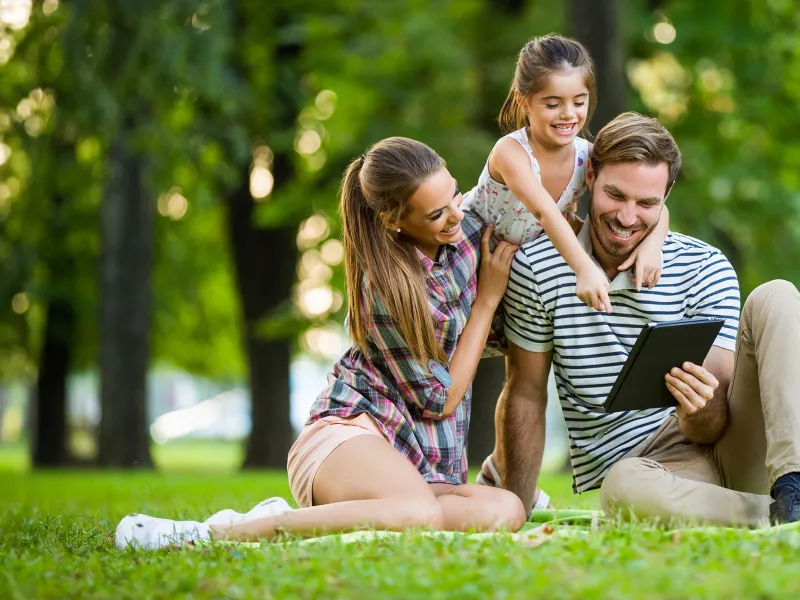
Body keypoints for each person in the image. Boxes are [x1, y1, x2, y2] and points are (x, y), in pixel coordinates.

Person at [115, 137, 527, 550]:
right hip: (347, 437)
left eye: (455, 193)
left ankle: (300, 518)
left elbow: (516, 168)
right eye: (437, 213)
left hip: (414, 465)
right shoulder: (385, 290)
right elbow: (439, 400)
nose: (458, 214)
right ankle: (211, 534)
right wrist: (487, 300)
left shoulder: (459, 229)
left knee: (505, 511)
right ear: (393, 219)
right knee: (418, 514)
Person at [481, 111, 800, 526]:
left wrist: (695, 408)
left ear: (665, 196)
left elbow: (713, 426)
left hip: (737, 451)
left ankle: (794, 485)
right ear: (590, 175)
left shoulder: (704, 266)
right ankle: (776, 519)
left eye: (647, 203)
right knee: (622, 488)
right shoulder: (538, 267)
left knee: (776, 294)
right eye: (616, 195)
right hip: (649, 475)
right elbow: (525, 390)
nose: (627, 218)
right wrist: (517, 508)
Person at [468, 34, 671, 498]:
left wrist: (654, 244)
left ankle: (502, 474)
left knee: (523, 373)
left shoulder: (589, 155)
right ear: (525, 102)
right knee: (446, 366)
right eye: (552, 103)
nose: (568, 115)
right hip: (475, 261)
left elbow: (655, 201)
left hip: (525, 266)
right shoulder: (510, 152)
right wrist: (582, 267)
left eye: (579, 101)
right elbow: (542, 210)